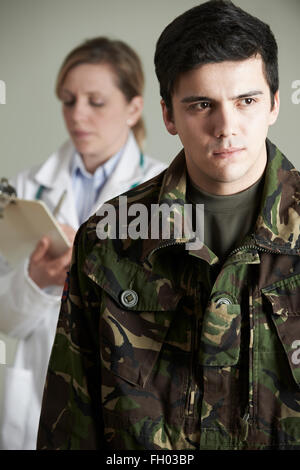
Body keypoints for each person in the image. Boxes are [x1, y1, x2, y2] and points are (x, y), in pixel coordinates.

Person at [37, 1, 300, 451]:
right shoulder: (109, 238)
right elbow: (69, 428)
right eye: (202, 104)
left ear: (275, 103)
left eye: (247, 101)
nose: (226, 127)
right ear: (168, 116)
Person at [0, 37, 165, 450]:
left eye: (96, 101)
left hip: (128, 397)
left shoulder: (167, 195)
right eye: (69, 100)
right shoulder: (25, 187)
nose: (77, 115)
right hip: (41, 389)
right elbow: (4, 319)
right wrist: (37, 280)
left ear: (133, 107)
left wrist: (96, 268)